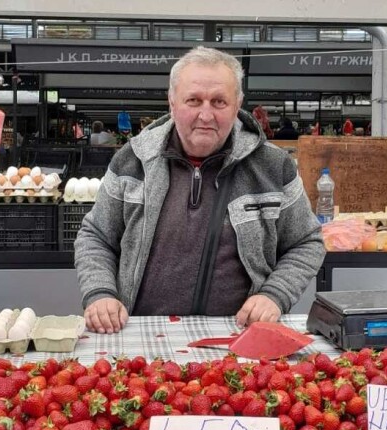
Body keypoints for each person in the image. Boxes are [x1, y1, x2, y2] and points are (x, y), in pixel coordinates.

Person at [75, 46, 325, 333]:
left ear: (237, 104)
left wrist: (274, 295)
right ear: (172, 103)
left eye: (219, 102)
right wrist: (100, 293)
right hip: (141, 333)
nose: (206, 115)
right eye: (193, 100)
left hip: (240, 337)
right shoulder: (133, 160)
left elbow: (306, 241)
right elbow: (95, 236)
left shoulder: (272, 166)